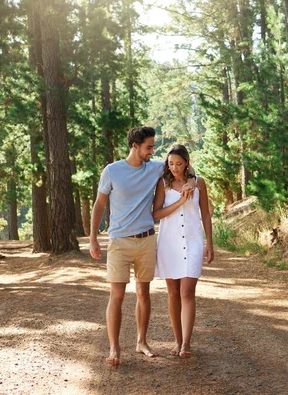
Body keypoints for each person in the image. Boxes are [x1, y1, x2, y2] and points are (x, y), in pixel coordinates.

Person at [89, 126, 195, 366]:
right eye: (148, 147)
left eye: (153, 147)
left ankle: (141, 342)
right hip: (119, 242)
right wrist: (93, 238)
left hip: (147, 239)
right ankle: (114, 347)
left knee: (143, 293)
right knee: (116, 295)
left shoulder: (155, 167)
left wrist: (191, 182)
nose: (152, 151)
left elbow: (182, 167)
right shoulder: (112, 171)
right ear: (135, 146)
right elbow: (99, 205)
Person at [153, 144, 214, 358]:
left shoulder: (198, 183)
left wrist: (210, 243)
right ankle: (177, 341)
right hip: (169, 244)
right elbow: (156, 214)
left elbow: (205, 214)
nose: (175, 168)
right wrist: (180, 201)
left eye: (179, 163)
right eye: (170, 164)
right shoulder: (163, 184)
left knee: (187, 292)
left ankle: (186, 343)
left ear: (187, 163)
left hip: (194, 241)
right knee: (172, 294)